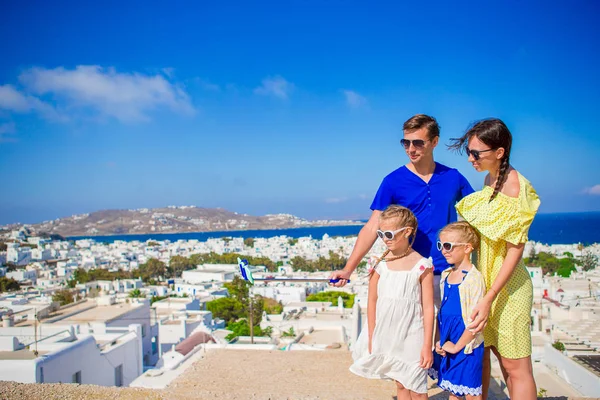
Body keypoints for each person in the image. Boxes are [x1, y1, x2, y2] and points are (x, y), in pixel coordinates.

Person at [331, 114, 474, 306]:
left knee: (448, 335)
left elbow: (477, 217)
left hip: (449, 273)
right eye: (405, 143)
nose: (411, 149)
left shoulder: (453, 177)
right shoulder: (392, 181)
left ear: (434, 142)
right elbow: (373, 226)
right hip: (408, 274)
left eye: (418, 143)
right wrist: (349, 269)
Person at [451, 118, 540, 399]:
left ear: (499, 152)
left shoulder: (517, 188)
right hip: (486, 285)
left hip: (508, 289)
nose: (470, 158)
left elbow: (515, 250)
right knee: (484, 357)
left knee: (515, 366)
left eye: (476, 153)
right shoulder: (491, 179)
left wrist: (489, 296)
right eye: (469, 151)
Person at [350, 205, 434, 399]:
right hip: (388, 333)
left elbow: (428, 308)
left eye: (389, 234)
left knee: (419, 388)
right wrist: (372, 336)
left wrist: (427, 345)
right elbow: (372, 301)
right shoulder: (379, 264)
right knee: (401, 384)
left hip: (414, 333)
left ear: (407, 232)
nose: (384, 239)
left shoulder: (422, 265)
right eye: (381, 233)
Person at [429, 221, 486, 399]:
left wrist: (457, 346)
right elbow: (443, 312)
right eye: (441, 245)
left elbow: (475, 321)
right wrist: (439, 340)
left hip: (467, 345)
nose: (443, 250)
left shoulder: (474, 279)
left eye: (448, 246)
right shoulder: (446, 275)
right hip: (448, 341)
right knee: (453, 390)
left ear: (467, 248)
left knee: (471, 392)